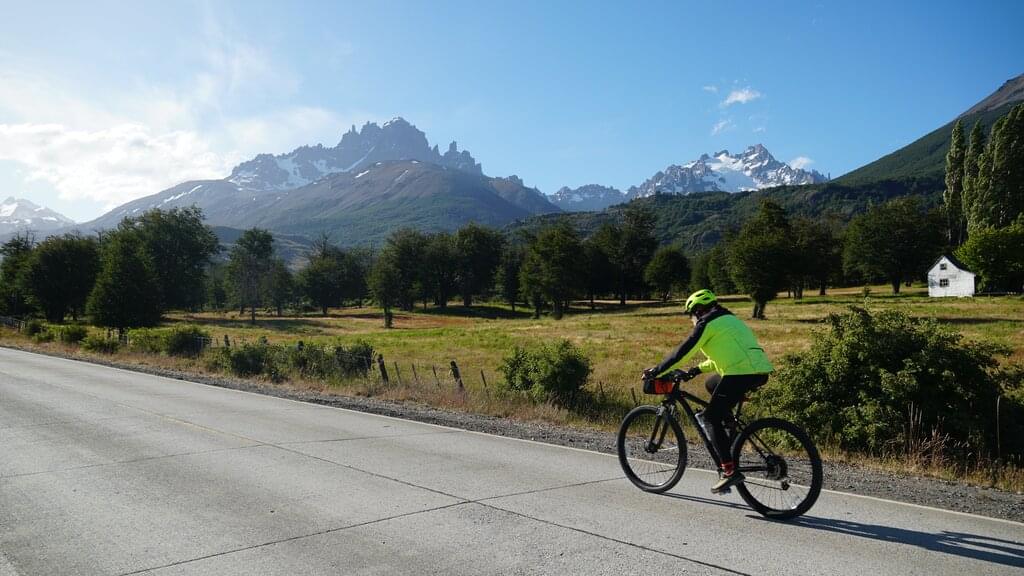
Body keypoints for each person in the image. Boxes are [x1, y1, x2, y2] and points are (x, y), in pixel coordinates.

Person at [644, 289, 773, 494]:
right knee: (712, 384)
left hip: (740, 374)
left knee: (711, 418)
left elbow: (682, 352)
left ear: (697, 311)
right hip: (758, 371)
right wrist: (696, 370)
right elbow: (727, 355)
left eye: (691, 315)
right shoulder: (730, 320)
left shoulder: (707, 323)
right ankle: (730, 426)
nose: (692, 320)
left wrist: (657, 371)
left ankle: (729, 471)